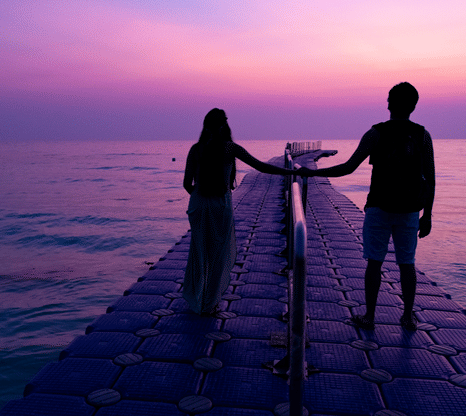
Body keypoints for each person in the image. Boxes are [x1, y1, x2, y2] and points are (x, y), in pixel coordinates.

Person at [298, 82, 435, 331]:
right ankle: (407, 317)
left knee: (374, 262)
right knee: (407, 263)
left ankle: (369, 316)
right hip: (409, 210)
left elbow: (348, 167)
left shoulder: (376, 133)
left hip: (379, 207)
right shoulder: (422, 135)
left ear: (389, 103)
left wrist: (311, 173)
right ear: (414, 106)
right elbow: (431, 176)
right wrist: (428, 215)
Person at [183, 108, 296, 315]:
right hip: (220, 205)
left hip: (198, 204)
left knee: (199, 253)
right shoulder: (230, 149)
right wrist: (290, 171)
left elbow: (186, 184)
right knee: (218, 253)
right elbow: (261, 167)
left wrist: (200, 197)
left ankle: (196, 298)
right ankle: (209, 303)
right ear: (224, 126)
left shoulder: (195, 149)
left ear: (205, 126)